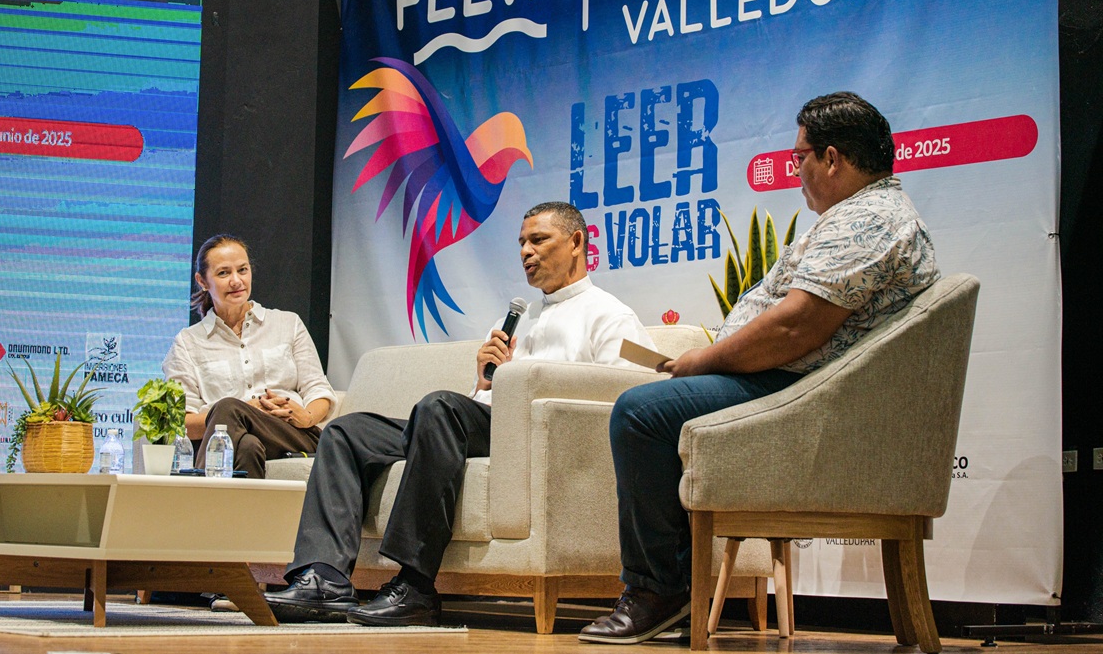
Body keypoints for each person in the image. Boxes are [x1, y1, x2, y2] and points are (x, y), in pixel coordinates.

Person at [579, 92, 940, 645]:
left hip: (802, 393)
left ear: (833, 158)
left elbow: (795, 328)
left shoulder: (869, 219)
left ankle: (659, 591)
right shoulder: (865, 215)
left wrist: (702, 360)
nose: (794, 170)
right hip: (796, 386)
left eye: (800, 158)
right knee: (652, 407)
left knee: (641, 413)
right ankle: (672, 589)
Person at [265, 201, 655, 627]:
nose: (526, 251)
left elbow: (625, 398)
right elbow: (480, 402)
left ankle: (414, 586)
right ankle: (325, 579)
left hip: (530, 434)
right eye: (521, 242)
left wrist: (518, 380)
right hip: (480, 425)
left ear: (577, 242)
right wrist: (484, 382)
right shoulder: (521, 318)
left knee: (439, 407)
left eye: (539, 240)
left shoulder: (608, 314)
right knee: (345, 432)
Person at [162, 234, 336, 480]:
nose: (236, 281)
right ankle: (248, 519)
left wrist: (305, 416)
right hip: (228, 443)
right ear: (202, 281)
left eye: (242, 270)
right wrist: (245, 413)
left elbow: (319, 391)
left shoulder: (288, 323)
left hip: (292, 434)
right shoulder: (188, 342)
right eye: (223, 273)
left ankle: (195, 503)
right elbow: (184, 423)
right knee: (245, 444)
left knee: (228, 407)